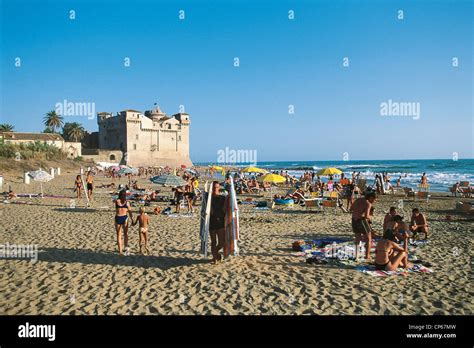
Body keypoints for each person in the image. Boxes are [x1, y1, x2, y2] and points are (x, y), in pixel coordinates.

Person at [351, 192, 377, 261]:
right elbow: (366, 216)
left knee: (357, 239)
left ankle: (356, 256)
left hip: (354, 220)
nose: (375, 201)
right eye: (374, 199)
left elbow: (351, 208)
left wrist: (358, 211)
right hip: (362, 221)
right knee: (368, 239)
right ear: (371, 197)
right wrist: (370, 218)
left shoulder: (358, 200)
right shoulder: (368, 204)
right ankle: (367, 256)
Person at [209, 181, 229, 264]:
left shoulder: (222, 198)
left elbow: (224, 210)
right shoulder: (209, 198)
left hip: (220, 221)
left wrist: (227, 200)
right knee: (213, 241)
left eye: (216, 187)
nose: (215, 189)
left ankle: (215, 252)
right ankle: (214, 257)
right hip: (211, 221)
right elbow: (209, 211)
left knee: (222, 242)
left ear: (219, 188)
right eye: (213, 187)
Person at [114, 190, 133, 255]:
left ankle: (120, 251)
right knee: (125, 234)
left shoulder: (117, 201)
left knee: (118, 235)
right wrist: (132, 219)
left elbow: (116, 209)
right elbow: (130, 212)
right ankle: (125, 247)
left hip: (118, 217)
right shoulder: (127, 203)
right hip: (124, 218)